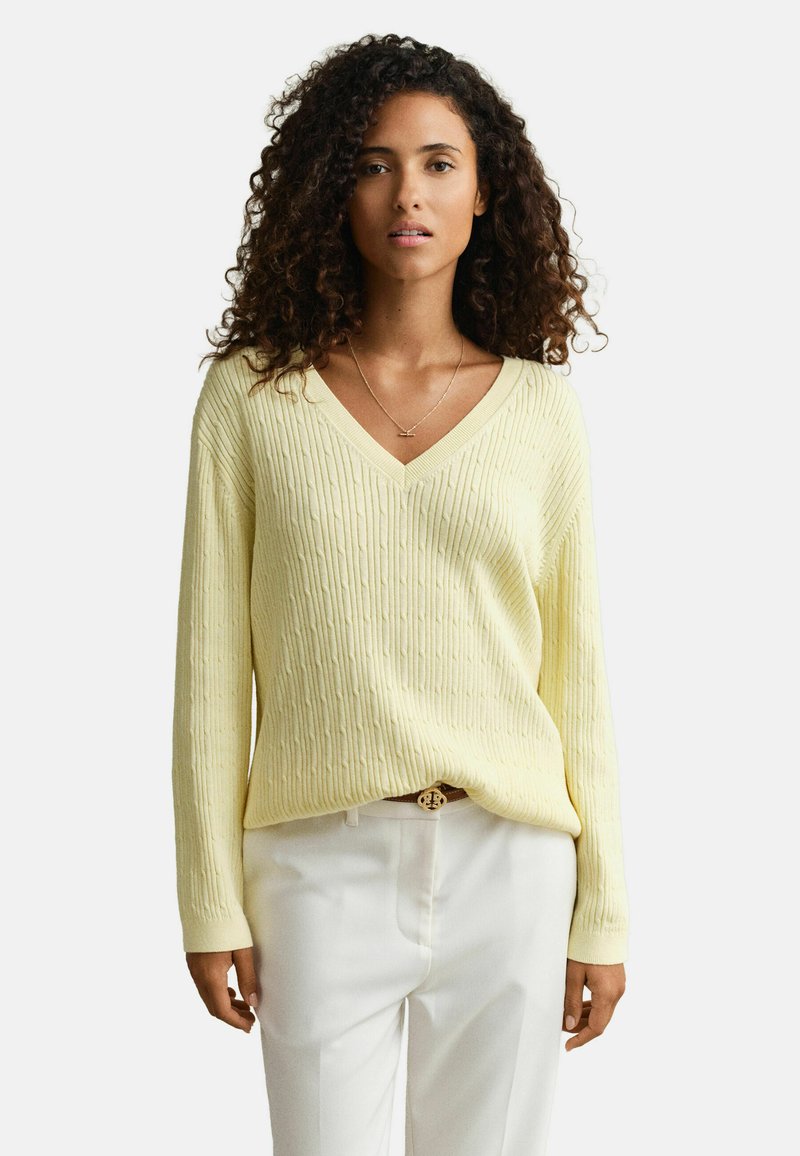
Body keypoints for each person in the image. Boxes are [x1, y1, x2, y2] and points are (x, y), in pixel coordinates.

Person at [172, 31, 629, 1156]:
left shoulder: (539, 410)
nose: (406, 194)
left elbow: (576, 677)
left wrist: (603, 908)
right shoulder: (251, 399)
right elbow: (210, 670)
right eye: (372, 165)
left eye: (437, 163)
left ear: (484, 194)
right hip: (315, 865)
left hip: (511, 866)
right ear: (332, 192)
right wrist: (208, 897)